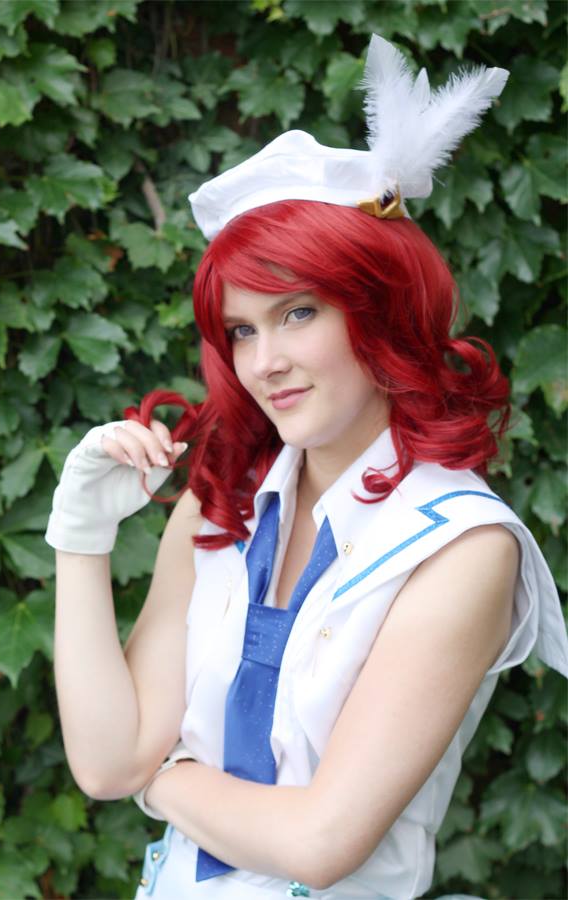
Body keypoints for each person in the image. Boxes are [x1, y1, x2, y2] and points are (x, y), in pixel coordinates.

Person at [46, 36, 568, 900]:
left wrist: (166, 779)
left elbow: (323, 841)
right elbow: (109, 762)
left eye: (298, 313)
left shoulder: (462, 545)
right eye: (242, 330)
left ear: (382, 310)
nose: (266, 363)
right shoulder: (222, 504)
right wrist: (80, 539)